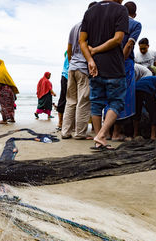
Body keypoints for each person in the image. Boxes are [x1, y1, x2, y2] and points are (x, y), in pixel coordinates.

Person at [79, 0, 128, 150]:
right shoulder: (121, 10)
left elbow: (82, 41)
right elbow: (118, 39)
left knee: (96, 102)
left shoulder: (90, 11)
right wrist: (96, 51)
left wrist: (90, 60)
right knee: (117, 102)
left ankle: (98, 139)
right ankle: (101, 135)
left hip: (95, 67)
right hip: (113, 65)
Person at [61, 2, 97, 140]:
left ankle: (65, 132)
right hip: (83, 67)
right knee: (83, 101)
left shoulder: (75, 26)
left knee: (71, 101)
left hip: (72, 68)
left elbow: (68, 50)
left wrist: (71, 63)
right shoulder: (92, 27)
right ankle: (80, 133)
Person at [108, 1, 141, 141]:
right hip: (123, 62)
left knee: (109, 95)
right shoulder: (135, 24)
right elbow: (129, 44)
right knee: (122, 97)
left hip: (108, 61)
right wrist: (120, 62)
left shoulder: (113, 22)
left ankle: (106, 132)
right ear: (134, 13)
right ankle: (116, 132)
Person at [133, 75, 156, 140]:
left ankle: (135, 134)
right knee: (154, 113)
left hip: (136, 89)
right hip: (147, 90)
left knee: (137, 112)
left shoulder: (149, 78)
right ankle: (153, 135)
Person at [0, 59, 19, 124]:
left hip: (3, 90)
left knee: (3, 105)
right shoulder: (4, 70)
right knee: (10, 105)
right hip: (9, 91)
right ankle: (12, 118)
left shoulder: (0, 71)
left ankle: (4, 120)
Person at [56, 52, 69, 130]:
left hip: (66, 75)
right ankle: (60, 122)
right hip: (67, 74)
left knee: (64, 98)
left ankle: (61, 122)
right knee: (64, 98)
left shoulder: (67, 50)